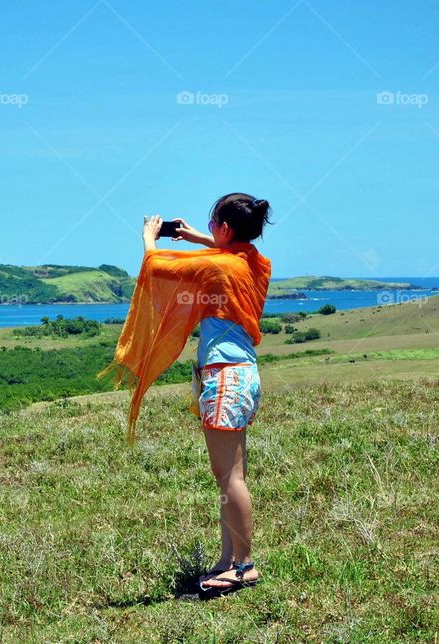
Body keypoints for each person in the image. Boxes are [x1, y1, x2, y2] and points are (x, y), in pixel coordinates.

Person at [141, 193, 272, 596]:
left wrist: (150, 239)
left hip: (224, 378)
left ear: (226, 229)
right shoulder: (254, 264)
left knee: (229, 477)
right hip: (243, 375)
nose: (210, 229)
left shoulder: (219, 267)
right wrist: (199, 236)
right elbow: (227, 252)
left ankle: (244, 566)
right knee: (232, 476)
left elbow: (157, 269)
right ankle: (228, 558)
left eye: (213, 223)